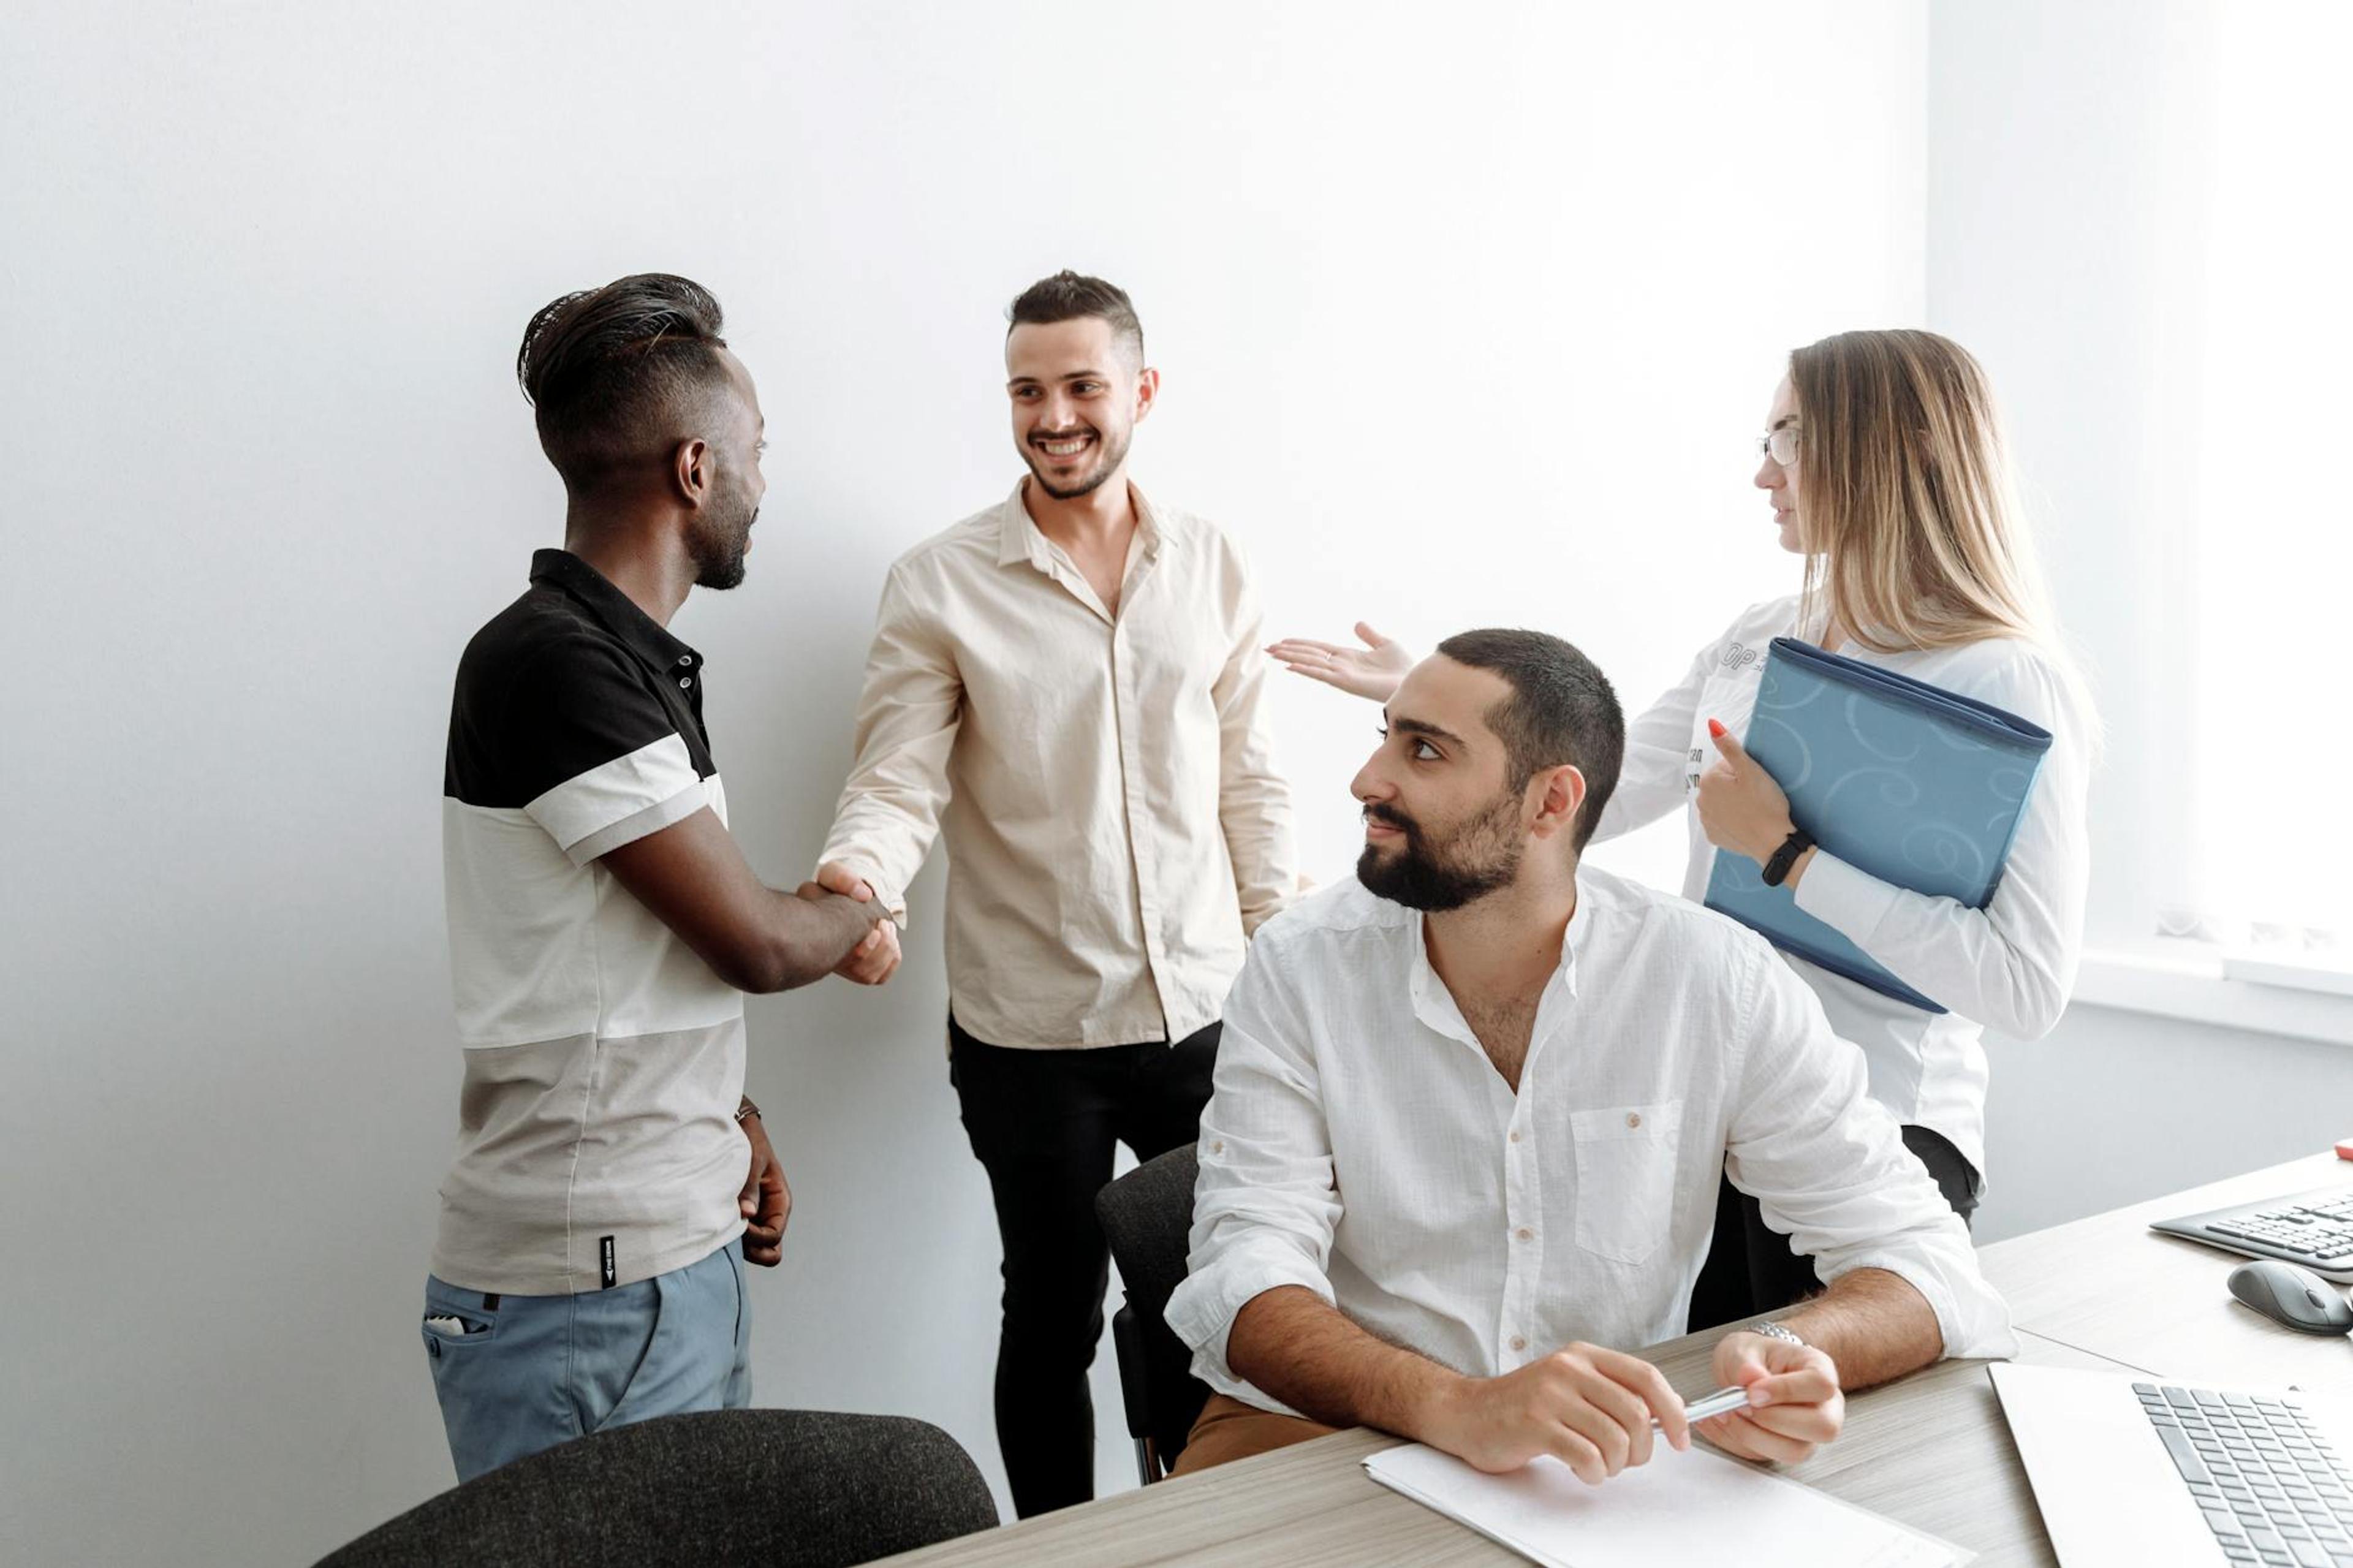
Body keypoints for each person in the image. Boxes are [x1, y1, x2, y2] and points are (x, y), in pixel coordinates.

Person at [1267, 328, 2090, 1328]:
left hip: (1881, 1125)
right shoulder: (1761, 634)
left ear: (1887, 445)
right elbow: (1597, 786)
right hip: (1723, 1109)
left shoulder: (2002, 677)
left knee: (1825, 1431)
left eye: (1788, 438)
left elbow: (2026, 988)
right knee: (1705, 1424)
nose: (1761, 473)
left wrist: (1791, 859)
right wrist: (1444, 715)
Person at [1164, 631, 2016, 1479]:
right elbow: (1245, 1269)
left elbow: (1924, 1257)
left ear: (1549, 804)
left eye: (1422, 750)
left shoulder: (1714, 979)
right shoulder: (1299, 962)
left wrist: (1797, 1349)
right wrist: (1457, 1407)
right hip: (1321, 1429)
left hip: (1593, 1457)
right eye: (1384, 736)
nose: (1367, 781)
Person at [811, 270, 1297, 1515]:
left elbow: (1251, 781)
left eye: (1082, 385)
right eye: (1029, 390)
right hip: (1034, 1038)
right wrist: (857, 881)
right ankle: (1055, 1550)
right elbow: (899, 778)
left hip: (1207, 1016)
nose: (1054, 414)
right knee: (1052, 1316)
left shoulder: (1216, 563)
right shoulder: (940, 582)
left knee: (1228, 1307)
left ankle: (1210, 1531)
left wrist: (1286, 960)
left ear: (1140, 390)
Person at [428, 273, 891, 1482]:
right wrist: (860, 905)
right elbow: (756, 941)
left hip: (649, 1263)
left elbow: (614, 960)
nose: (764, 480)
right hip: (596, 1293)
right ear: (696, 468)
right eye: (758, 450)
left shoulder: (611, 661)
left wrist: (727, 1119)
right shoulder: (554, 665)